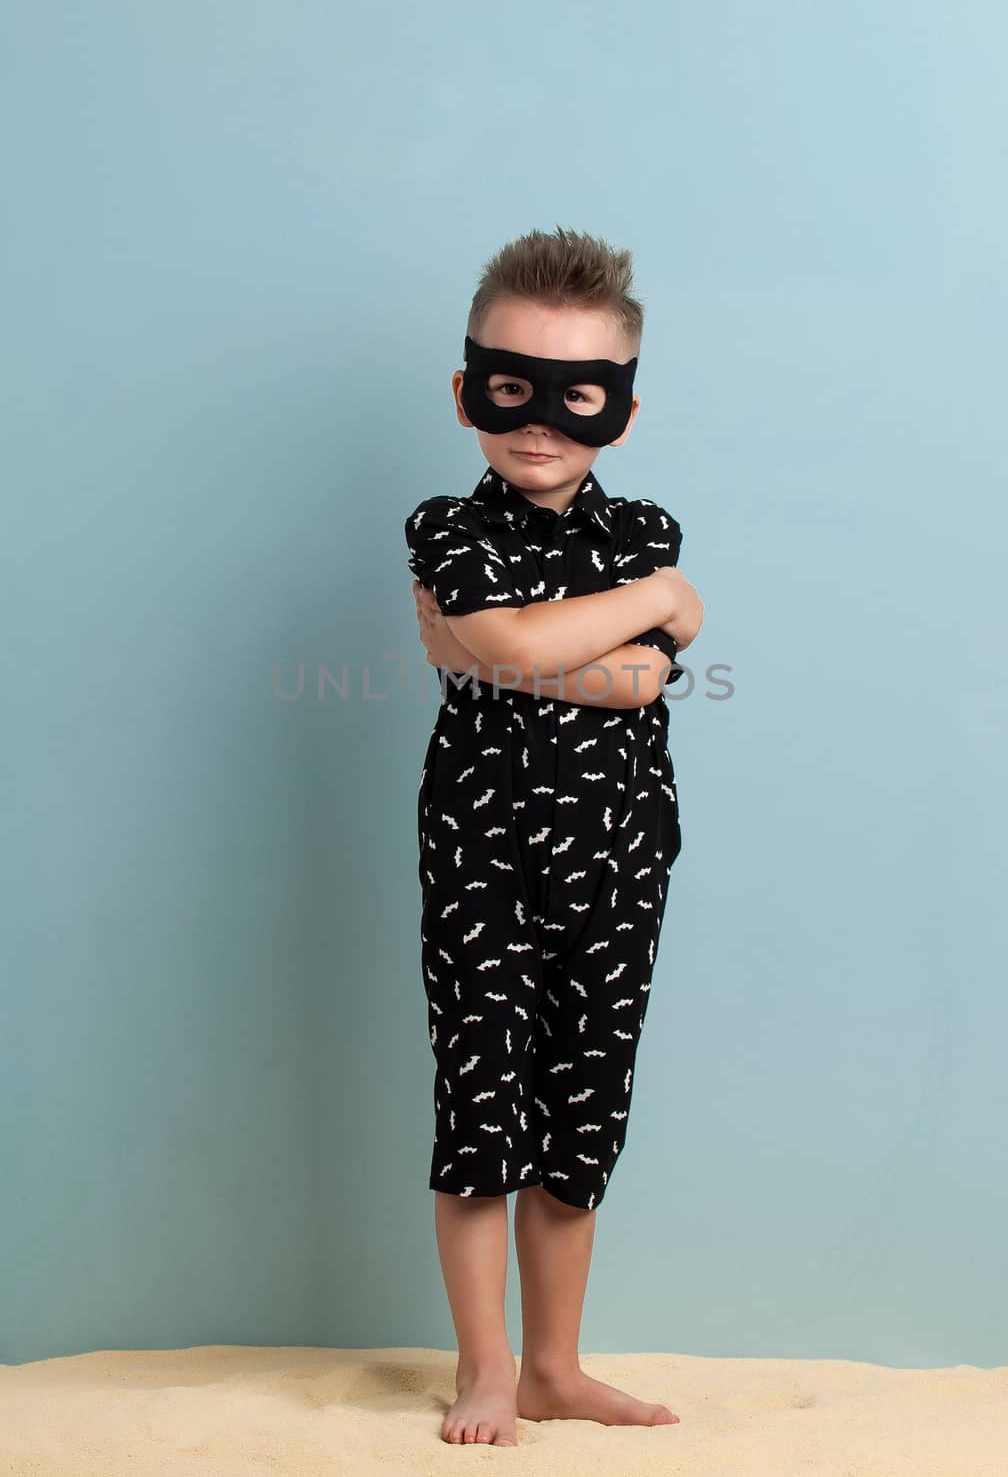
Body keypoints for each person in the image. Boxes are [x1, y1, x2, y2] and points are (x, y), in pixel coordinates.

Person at [404, 226, 704, 1447]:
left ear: (618, 412)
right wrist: (671, 601)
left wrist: (490, 646)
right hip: (481, 855)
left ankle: (555, 1364)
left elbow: (630, 685)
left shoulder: (638, 528)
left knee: (583, 1108)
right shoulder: (448, 527)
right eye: (510, 385)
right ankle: (485, 1367)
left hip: (623, 853)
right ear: (469, 388)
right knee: (484, 1102)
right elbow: (552, 654)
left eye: (577, 394)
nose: (541, 420)